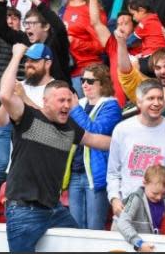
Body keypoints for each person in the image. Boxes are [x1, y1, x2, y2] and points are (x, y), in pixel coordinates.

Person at [0, 44, 113, 252]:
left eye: (70, 100)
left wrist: (129, 141)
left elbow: (96, 140)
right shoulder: (28, 118)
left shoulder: (69, 127)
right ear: (46, 101)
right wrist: (16, 56)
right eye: (61, 100)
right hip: (24, 210)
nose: (67, 105)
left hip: (53, 209)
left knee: (80, 247)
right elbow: (5, 96)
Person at [107, 79, 165, 218]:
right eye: (150, 98)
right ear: (139, 102)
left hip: (162, 213)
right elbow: (113, 173)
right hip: (126, 212)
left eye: (160, 98)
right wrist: (114, 199)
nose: (156, 103)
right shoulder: (122, 129)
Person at [65, 64, 122, 230]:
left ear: (103, 84)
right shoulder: (79, 104)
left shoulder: (111, 106)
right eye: (83, 80)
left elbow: (94, 131)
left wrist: (75, 110)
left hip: (96, 175)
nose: (84, 85)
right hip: (75, 172)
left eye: (90, 81)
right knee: (75, 228)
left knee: (94, 229)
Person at [114, 165, 165, 252]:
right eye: (155, 193)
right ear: (144, 183)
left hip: (154, 246)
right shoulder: (136, 199)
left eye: (163, 194)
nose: (159, 197)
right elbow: (122, 222)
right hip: (130, 245)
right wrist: (138, 243)